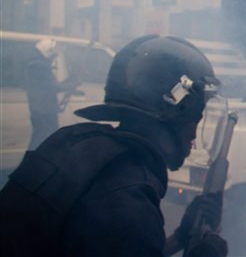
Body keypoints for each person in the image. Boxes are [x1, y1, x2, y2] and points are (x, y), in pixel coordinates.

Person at [0, 35, 228, 256]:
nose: (194, 136)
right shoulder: (127, 199)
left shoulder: (80, 145)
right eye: (195, 119)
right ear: (174, 112)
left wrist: (180, 238)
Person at [24, 39, 79, 150]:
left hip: (44, 110)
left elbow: (52, 85)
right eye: (52, 54)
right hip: (43, 112)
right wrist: (71, 84)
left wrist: (70, 81)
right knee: (40, 141)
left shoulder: (38, 65)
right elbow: (53, 86)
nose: (54, 57)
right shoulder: (38, 66)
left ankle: (38, 164)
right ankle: (30, 165)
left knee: (44, 141)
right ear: (46, 51)